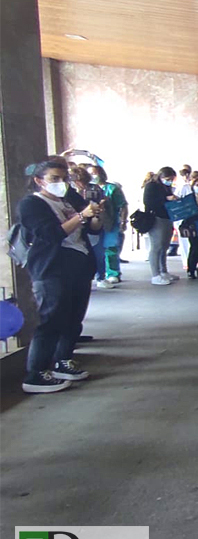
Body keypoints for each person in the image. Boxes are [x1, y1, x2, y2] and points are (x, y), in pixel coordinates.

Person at [18, 157, 102, 392]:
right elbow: (51, 234)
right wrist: (82, 216)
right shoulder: (32, 205)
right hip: (52, 269)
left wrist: (94, 216)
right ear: (39, 181)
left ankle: (62, 360)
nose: (61, 183)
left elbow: (92, 229)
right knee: (52, 320)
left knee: (73, 319)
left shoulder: (69, 201)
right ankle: (35, 373)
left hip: (79, 266)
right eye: (54, 179)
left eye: (64, 178)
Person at [69, 166, 109, 289]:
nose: (78, 183)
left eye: (80, 180)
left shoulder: (94, 188)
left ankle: (100, 277)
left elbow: (102, 203)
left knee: (98, 253)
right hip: (75, 228)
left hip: (93, 223)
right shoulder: (69, 192)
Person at [87, 164, 127, 285]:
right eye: (90, 174)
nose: (93, 176)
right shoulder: (88, 189)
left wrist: (123, 221)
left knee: (111, 248)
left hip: (111, 223)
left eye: (94, 173)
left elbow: (123, 206)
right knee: (96, 250)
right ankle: (100, 274)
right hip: (93, 223)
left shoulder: (112, 188)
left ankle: (113, 273)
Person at [144, 166, 178, 285]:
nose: (170, 181)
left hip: (167, 217)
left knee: (164, 246)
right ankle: (155, 274)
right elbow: (149, 202)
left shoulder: (166, 187)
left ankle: (163, 271)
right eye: (168, 178)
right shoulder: (151, 186)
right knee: (156, 246)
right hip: (156, 218)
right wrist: (166, 198)